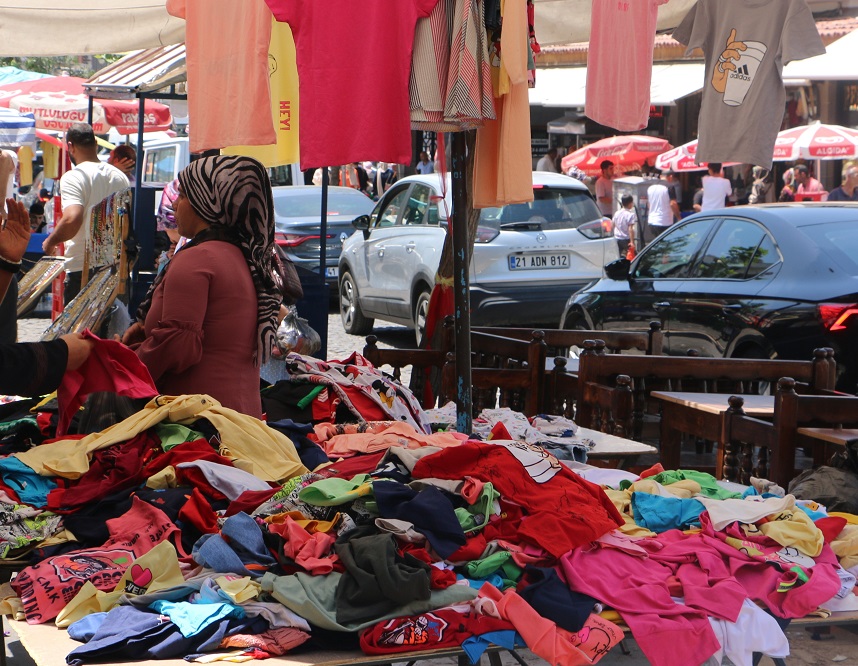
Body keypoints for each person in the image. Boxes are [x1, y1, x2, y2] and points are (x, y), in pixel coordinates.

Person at [121, 155, 280, 419]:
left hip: (198, 427)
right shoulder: (244, 257)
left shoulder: (197, 258)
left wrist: (124, 365)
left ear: (208, 203)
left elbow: (178, 345)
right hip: (240, 420)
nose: (174, 204)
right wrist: (149, 333)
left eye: (182, 196)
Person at [42, 123, 130, 306]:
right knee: (111, 332)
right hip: (115, 268)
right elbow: (125, 222)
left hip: (84, 268)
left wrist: (51, 241)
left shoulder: (74, 177)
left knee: (79, 334)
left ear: (71, 147)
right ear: (96, 144)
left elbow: (72, 218)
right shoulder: (120, 176)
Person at [646, 177, 680, 244]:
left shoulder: (650, 187)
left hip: (652, 221)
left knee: (658, 245)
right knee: (666, 246)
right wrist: (679, 217)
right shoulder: (669, 186)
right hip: (664, 222)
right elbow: (673, 203)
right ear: (670, 176)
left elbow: (649, 204)